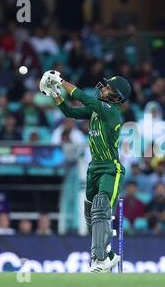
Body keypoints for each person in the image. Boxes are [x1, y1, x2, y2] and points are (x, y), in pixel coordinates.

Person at [39, 70, 130, 273]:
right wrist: (54, 92)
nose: (104, 88)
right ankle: (106, 255)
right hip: (94, 168)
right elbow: (69, 112)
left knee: (100, 207)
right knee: (90, 214)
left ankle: (100, 260)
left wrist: (61, 81)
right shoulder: (97, 111)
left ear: (116, 96)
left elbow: (83, 97)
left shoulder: (111, 111)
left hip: (110, 168)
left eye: (108, 87)